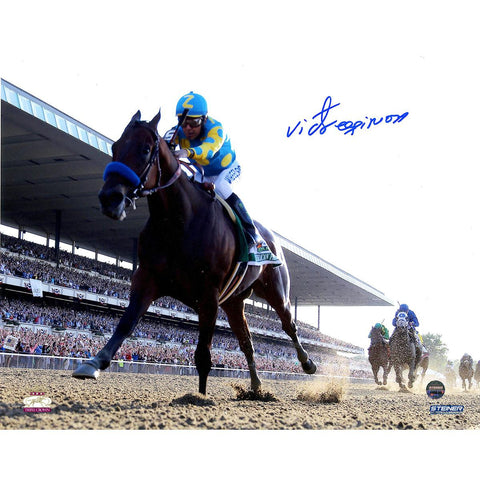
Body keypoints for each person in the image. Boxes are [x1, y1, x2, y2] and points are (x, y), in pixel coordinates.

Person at [164, 91, 280, 266]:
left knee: (221, 186)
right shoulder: (178, 132)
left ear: (204, 119)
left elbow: (209, 149)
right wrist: (166, 144)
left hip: (228, 169)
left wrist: (187, 152)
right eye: (183, 121)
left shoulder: (216, 128)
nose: (188, 128)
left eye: (193, 122)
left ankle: (252, 234)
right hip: (202, 172)